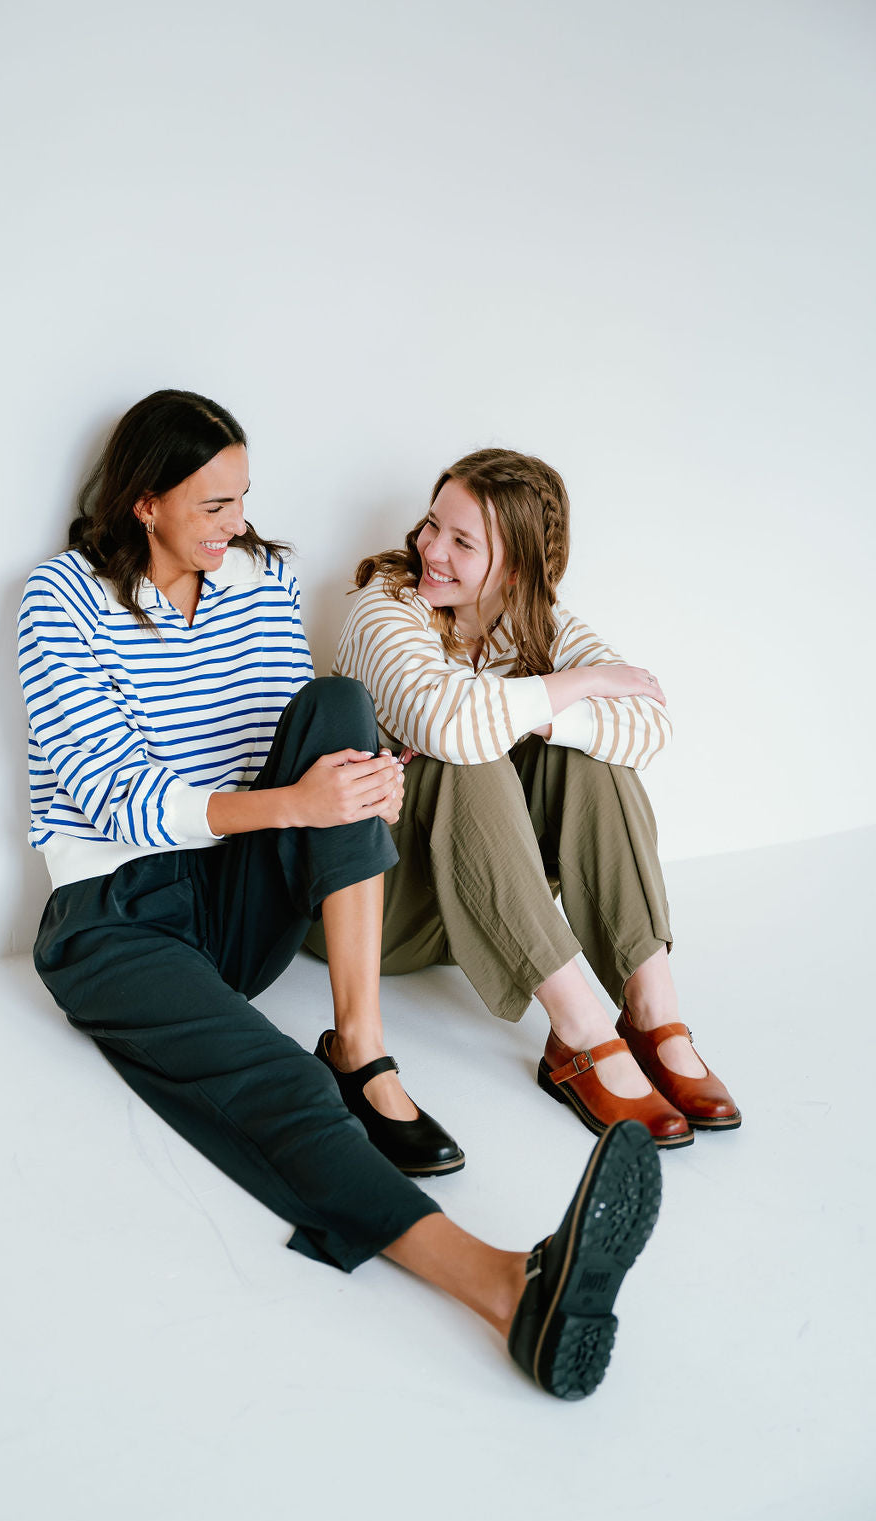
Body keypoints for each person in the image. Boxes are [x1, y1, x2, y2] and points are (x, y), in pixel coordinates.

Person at [17, 391, 663, 1401]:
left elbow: (296, 725)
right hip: (116, 919)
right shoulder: (58, 599)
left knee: (342, 705)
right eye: (212, 506)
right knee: (273, 1084)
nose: (236, 527)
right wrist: (294, 802)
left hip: (240, 899)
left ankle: (362, 1044)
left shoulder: (259, 578)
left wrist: (356, 783)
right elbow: (108, 790)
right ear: (144, 504)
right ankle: (505, 1287)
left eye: (242, 500)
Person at [309, 447, 740, 1150]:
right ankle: (580, 1032)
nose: (430, 550)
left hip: (481, 895)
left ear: (517, 569)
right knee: (462, 750)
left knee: (594, 758)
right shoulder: (385, 606)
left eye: (461, 542)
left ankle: (652, 1011)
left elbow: (649, 726)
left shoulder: (541, 624)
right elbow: (445, 719)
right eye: (431, 525)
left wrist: (548, 716)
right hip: (373, 904)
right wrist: (579, 686)